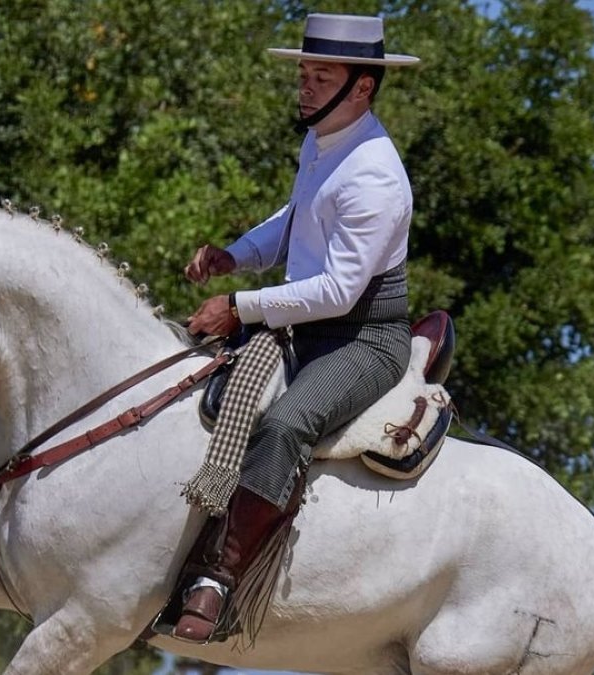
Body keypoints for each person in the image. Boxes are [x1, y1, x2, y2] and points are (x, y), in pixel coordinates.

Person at [173, 12, 420, 644]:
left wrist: (241, 304)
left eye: (322, 75)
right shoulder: (324, 141)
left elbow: (339, 292)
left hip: (362, 340)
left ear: (361, 87)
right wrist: (237, 254)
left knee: (286, 423)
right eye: (305, 73)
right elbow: (297, 215)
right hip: (306, 325)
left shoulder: (376, 175)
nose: (305, 86)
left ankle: (221, 578)